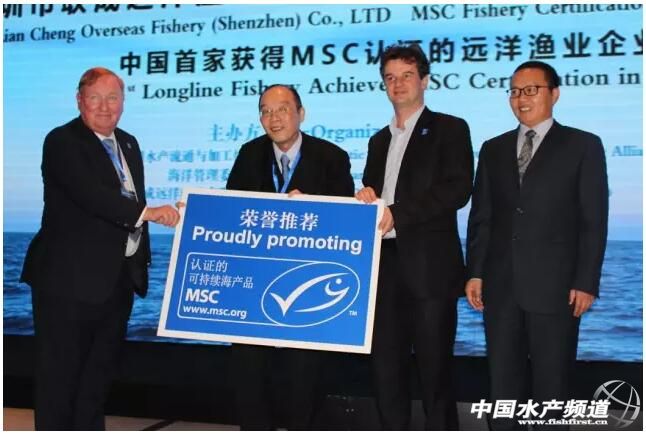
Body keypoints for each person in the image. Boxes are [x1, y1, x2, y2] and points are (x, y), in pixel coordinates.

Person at [20, 67, 181, 430]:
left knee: (97, 378)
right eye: (95, 98)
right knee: (59, 379)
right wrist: (148, 212)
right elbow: (91, 195)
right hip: (68, 282)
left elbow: (129, 196)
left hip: (117, 280)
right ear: (80, 101)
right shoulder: (62, 141)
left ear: (123, 102)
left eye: (113, 98)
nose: (105, 107)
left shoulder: (128, 143)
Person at [465, 60, 608, 429]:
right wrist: (475, 273)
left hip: (557, 288)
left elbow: (593, 220)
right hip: (500, 286)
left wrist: (586, 281)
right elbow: (482, 218)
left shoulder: (583, 145)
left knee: (552, 388)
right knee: (502, 388)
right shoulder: (493, 148)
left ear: (554, 94)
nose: (521, 98)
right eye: (515, 91)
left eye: (531, 90)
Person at [356, 44, 473, 429]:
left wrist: (397, 213)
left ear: (424, 80)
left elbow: (458, 188)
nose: (398, 84)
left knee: (435, 372)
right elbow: (376, 195)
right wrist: (366, 198)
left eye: (407, 76)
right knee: (385, 370)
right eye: (390, 77)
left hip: (430, 269)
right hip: (382, 269)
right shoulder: (377, 141)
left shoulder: (450, 128)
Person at [226, 84, 354, 429]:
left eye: (282, 109)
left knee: (304, 380)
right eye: (265, 111)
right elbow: (231, 211)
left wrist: (314, 208)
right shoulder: (249, 154)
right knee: (250, 378)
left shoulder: (331, 157)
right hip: (255, 288)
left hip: (307, 287)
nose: (274, 118)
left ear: (301, 113)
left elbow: (346, 224)